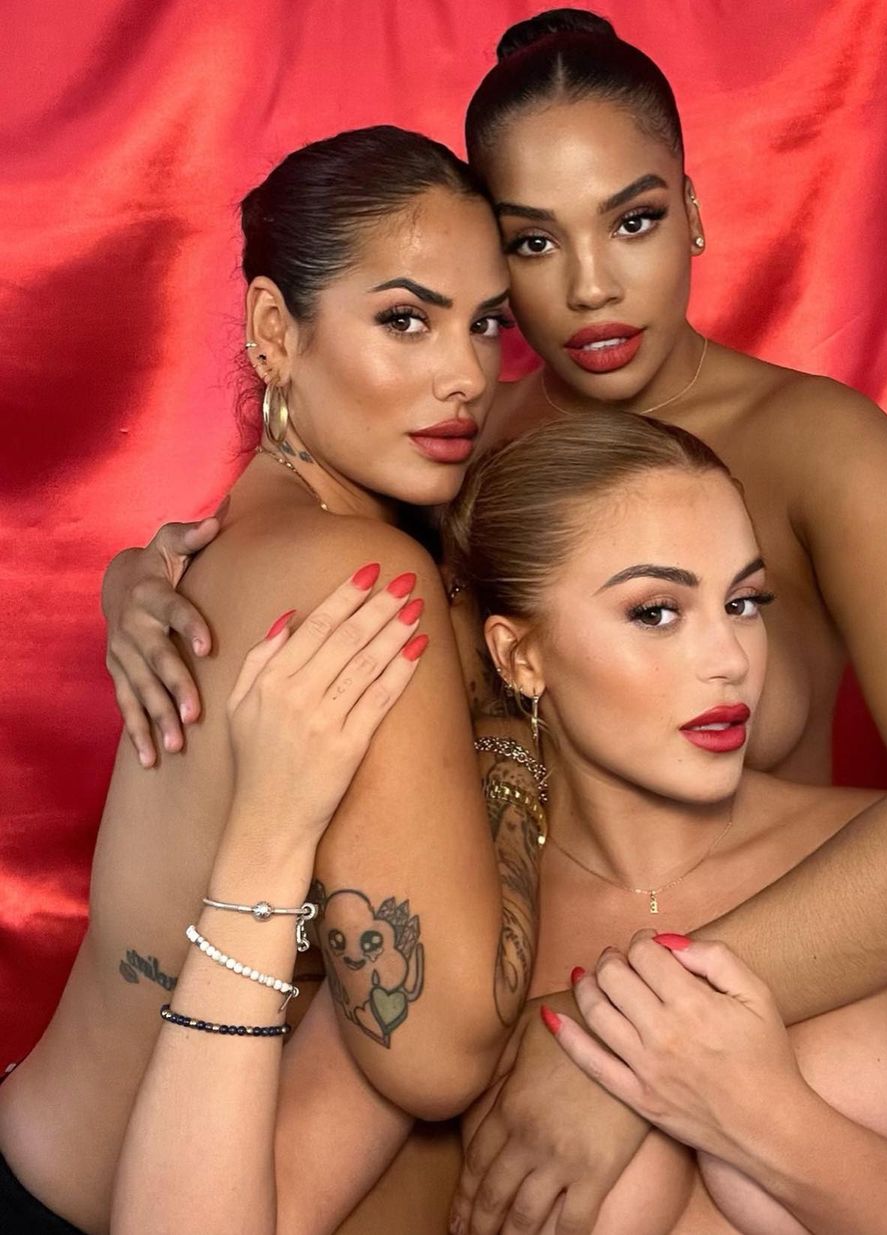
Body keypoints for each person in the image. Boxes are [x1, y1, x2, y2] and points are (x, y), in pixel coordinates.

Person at [99, 10, 887, 1228]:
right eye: (533, 242)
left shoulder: (823, 447)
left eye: (635, 219)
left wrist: (630, 1043)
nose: (593, 284)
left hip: (816, 978)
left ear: (694, 211)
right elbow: (307, 544)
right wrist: (144, 580)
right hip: (525, 955)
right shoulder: (460, 452)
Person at [116, 410, 887, 1234]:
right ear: (519, 655)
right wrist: (269, 837)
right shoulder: (466, 934)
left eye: (745, 602)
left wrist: (772, 1126)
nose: (730, 658)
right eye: (656, 611)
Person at [0, 126, 546, 1235]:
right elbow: (440, 1051)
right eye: (406, 318)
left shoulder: (234, 545)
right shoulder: (361, 576)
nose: (466, 375)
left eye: (487, 323)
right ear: (272, 331)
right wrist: (517, 719)